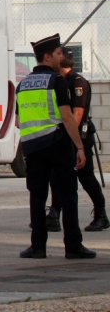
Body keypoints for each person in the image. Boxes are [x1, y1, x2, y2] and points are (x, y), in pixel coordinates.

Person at [17, 33, 96, 259]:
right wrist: (79, 147)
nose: (63, 56)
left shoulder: (23, 85)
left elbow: (18, 120)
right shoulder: (57, 81)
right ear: (47, 56)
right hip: (58, 144)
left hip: (32, 148)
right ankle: (73, 246)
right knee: (68, 195)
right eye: (59, 53)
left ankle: (37, 246)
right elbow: (68, 117)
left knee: (37, 196)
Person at [45, 53, 108, 232]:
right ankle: (54, 214)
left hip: (79, 137)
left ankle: (101, 214)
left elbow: (77, 114)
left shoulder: (77, 82)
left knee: (85, 176)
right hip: (63, 136)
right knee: (58, 176)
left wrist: (73, 139)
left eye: (56, 56)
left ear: (62, 60)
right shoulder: (59, 81)